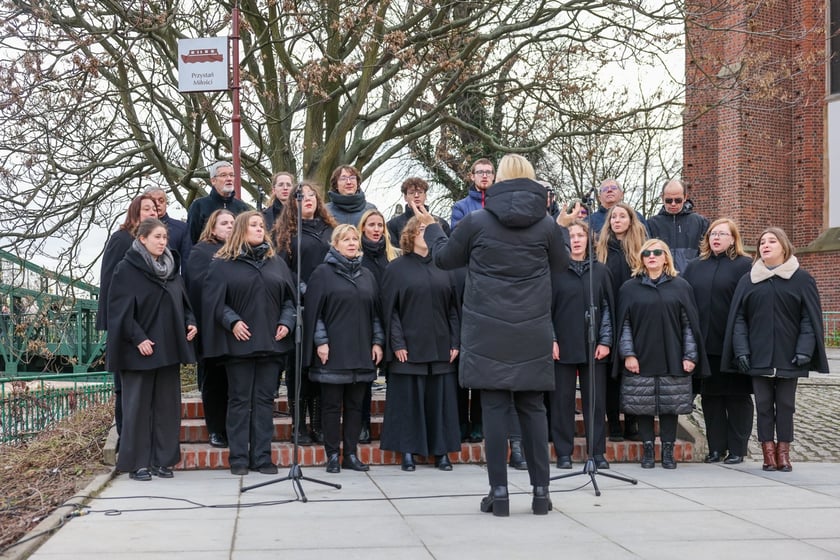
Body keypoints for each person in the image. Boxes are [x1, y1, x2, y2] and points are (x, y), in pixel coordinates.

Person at [415, 153, 569, 517]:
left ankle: (499, 493)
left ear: (498, 179)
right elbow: (561, 266)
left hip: (487, 330)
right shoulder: (546, 225)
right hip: (531, 328)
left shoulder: (476, 221)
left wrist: (433, 228)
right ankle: (541, 493)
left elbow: (444, 259)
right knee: (532, 408)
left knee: (496, 408)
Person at [722, 227, 829, 472]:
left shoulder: (802, 279)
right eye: (762, 242)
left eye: (772, 241)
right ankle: (768, 453)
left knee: (786, 405)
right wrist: (741, 351)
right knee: (762, 405)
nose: (765, 245)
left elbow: (809, 319)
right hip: (758, 355)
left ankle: (784, 452)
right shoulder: (748, 280)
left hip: (790, 355)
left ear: (784, 246)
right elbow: (739, 319)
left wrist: (804, 350)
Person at [201, 211, 296, 476]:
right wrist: (232, 321)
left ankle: (262, 457)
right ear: (241, 229)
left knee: (264, 401)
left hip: (271, 343)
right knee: (240, 400)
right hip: (239, 345)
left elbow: (290, 300)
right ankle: (240, 458)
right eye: (253, 225)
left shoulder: (275, 262)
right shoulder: (222, 263)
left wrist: (287, 322)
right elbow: (213, 302)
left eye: (261, 225)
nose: (259, 229)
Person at [106, 218, 197, 481]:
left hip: (168, 349)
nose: (162, 242)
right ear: (142, 238)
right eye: (157, 237)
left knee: (167, 408)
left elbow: (184, 302)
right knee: (137, 408)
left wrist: (190, 323)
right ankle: (138, 463)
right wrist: (138, 338)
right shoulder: (126, 269)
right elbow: (119, 311)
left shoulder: (170, 269)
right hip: (139, 351)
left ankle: (162, 460)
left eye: (165, 238)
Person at [617, 239, 707, 469]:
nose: (652, 256)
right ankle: (648, 449)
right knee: (643, 405)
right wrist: (628, 354)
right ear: (642, 258)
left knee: (670, 405)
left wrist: (690, 356)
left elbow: (689, 326)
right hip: (641, 354)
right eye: (647, 253)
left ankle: (668, 450)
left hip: (673, 354)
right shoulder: (629, 288)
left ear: (666, 257)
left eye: (657, 252)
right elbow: (624, 325)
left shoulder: (681, 286)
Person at [380, 217, 461, 471]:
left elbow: (453, 310)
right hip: (408, 347)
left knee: (440, 400)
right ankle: (407, 450)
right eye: (422, 229)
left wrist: (455, 341)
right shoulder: (396, 269)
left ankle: (441, 451)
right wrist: (397, 343)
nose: (426, 234)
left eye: (430, 229)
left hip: (440, 345)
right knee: (407, 400)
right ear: (410, 235)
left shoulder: (445, 268)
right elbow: (390, 311)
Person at [303, 224, 384, 474]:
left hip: (361, 350)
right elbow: (314, 313)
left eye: (354, 239)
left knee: (355, 406)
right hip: (333, 350)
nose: (351, 243)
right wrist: (321, 342)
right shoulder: (322, 274)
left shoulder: (367, 275)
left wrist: (378, 341)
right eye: (345, 239)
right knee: (330, 405)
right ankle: (332, 455)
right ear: (335, 244)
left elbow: (375, 314)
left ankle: (350, 454)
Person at [682, 219, 753, 464]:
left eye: (722, 234)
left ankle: (737, 448)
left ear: (733, 239)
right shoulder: (694, 267)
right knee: (711, 399)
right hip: (705, 344)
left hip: (733, 344)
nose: (716, 238)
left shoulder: (745, 265)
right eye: (713, 234)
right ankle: (716, 448)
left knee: (736, 398)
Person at [273, 182, 338, 445]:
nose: (308, 199)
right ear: (293, 203)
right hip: (299, 305)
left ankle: (319, 424)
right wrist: (302, 289)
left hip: (329, 305)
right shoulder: (285, 233)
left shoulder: (330, 230)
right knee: (298, 368)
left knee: (322, 366)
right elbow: (281, 269)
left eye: (313, 195)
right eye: (303, 196)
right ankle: (299, 426)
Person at [550, 220, 613, 471]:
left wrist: (606, 340)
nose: (576, 240)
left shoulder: (601, 271)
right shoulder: (556, 271)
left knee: (595, 402)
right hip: (562, 346)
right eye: (571, 235)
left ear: (589, 239)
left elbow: (608, 307)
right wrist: (551, 339)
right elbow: (546, 309)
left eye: (580, 235)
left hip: (594, 345)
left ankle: (597, 452)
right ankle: (563, 452)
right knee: (562, 401)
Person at [97, 194, 159, 443]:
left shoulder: (156, 243)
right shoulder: (121, 239)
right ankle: (126, 438)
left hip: (150, 321)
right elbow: (110, 283)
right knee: (125, 384)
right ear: (135, 212)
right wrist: (115, 320)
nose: (152, 212)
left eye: (154, 209)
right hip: (124, 321)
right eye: (146, 209)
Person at [594, 202, 648, 441]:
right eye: (613, 217)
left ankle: (632, 422)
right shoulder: (600, 249)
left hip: (634, 316)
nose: (616, 220)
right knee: (609, 374)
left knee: (632, 370)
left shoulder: (641, 249)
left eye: (622, 216)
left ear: (630, 220)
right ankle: (614, 423)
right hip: (608, 315)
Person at [185, 209, 236, 449]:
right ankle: (216, 429)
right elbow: (198, 288)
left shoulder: (242, 250)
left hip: (238, 328)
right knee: (214, 382)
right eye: (224, 223)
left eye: (233, 222)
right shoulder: (201, 251)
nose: (229, 226)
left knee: (235, 383)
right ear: (212, 228)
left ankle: (234, 428)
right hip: (211, 327)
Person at [356, 209, 398, 444]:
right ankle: (363, 425)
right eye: (371, 225)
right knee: (365, 378)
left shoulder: (394, 256)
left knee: (393, 377)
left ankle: (392, 427)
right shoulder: (358, 257)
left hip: (390, 321)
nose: (376, 229)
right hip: (365, 323)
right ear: (363, 227)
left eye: (380, 225)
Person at [646, 178, 709, 273]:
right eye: (668, 200)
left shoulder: (700, 222)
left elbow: (706, 255)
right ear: (662, 198)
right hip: (662, 281)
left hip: (692, 280)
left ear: (685, 197)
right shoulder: (651, 224)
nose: (673, 204)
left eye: (678, 200)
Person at [186, 161, 251, 244]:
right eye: (223, 175)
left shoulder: (242, 208)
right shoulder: (199, 206)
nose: (229, 179)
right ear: (213, 180)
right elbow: (191, 238)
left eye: (231, 175)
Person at [386, 177, 450, 245]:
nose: (416, 196)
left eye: (420, 192)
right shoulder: (393, 225)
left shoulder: (441, 223)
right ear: (405, 197)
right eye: (411, 192)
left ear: (425, 196)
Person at [144, 185, 192, 267]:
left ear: (166, 203)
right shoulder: (135, 229)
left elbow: (187, 263)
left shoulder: (182, 229)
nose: (157, 204)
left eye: (161, 200)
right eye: (153, 201)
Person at [450, 158, 494, 230]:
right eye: (480, 172)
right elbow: (456, 235)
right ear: (472, 177)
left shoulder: (503, 203)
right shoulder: (460, 207)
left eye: (488, 172)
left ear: (493, 176)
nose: (485, 176)